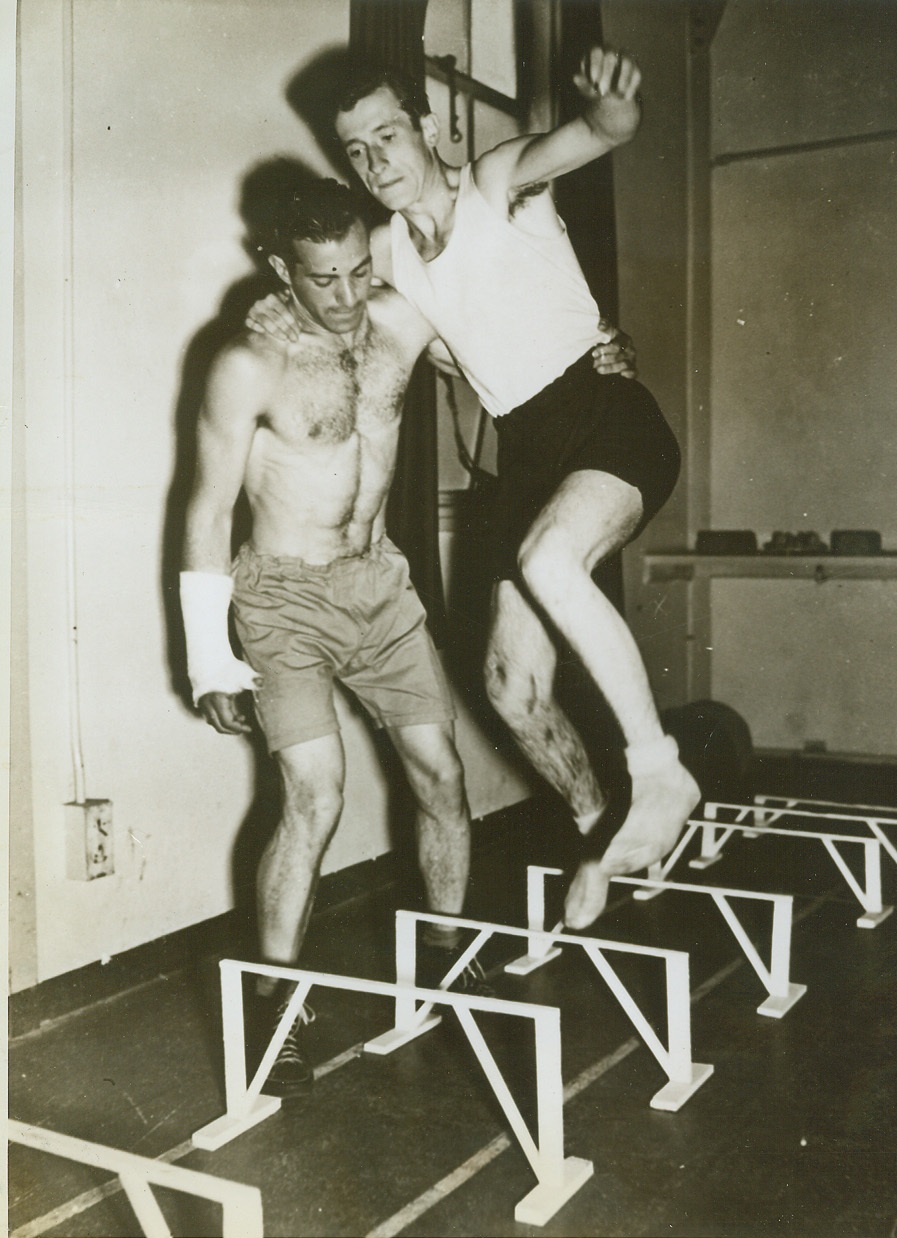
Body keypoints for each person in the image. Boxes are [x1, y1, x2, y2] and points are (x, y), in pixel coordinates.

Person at [181, 177, 634, 1097]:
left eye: (357, 270)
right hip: (284, 598)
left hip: (380, 585)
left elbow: (511, 356)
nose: (346, 298)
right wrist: (207, 655)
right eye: (322, 280)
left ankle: (442, 960)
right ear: (280, 270)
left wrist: (597, 355)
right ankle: (276, 1003)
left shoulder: (401, 321)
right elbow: (204, 511)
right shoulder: (247, 364)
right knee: (315, 793)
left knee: (442, 777)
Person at [249, 46, 700, 932]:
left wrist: (614, 108)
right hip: (526, 450)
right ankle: (602, 835)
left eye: (389, 134)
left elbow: (595, 135)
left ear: (428, 125)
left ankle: (660, 769)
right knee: (508, 685)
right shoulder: (383, 255)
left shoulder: (499, 185)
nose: (378, 161)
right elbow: (327, 304)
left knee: (552, 561)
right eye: (357, 149)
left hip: (606, 414)